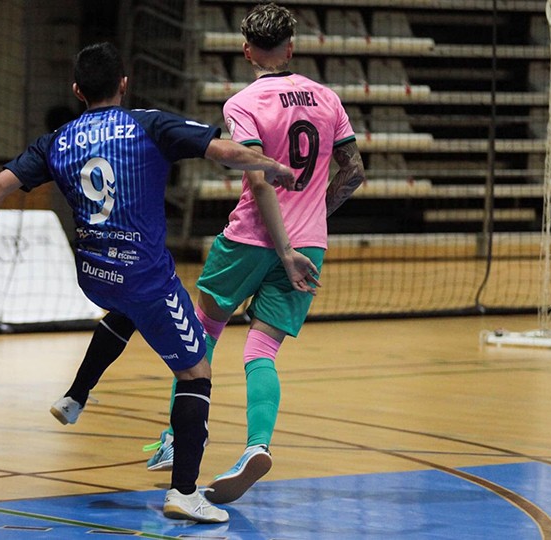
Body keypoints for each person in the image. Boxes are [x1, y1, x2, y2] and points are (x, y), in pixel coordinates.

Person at [0, 42, 304, 524]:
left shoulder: (56, 140)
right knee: (196, 372)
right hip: (145, 278)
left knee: (126, 310)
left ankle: (76, 395)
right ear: (124, 83)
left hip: (95, 276)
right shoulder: (148, 124)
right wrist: (272, 166)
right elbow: (223, 152)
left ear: (77, 90)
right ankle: (183, 492)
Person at [52, 1, 367, 506]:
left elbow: (259, 177)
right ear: (291, 47)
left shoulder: (243, 102)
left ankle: (176, 441)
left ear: (246, 51)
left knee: (199, 338)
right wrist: (313, 220)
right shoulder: (328, 98)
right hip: (309, 242)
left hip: (251, 239)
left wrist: (281, 243)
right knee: (262, 350)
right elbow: (353, 171)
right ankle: (256, 446)